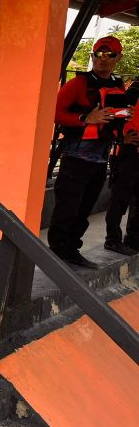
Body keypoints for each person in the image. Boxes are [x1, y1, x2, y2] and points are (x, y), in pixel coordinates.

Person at [48, 35, 127, 267]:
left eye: (109, 55)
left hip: (101, 159)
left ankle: (71, 250)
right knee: (67, 208)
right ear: (92, 56)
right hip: (75, 157)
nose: (103, 59)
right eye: (98, 55)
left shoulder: (117, 85)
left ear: (118, 57)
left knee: (84, 210)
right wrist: (85, 118)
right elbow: (54, 112)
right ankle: (58, 253)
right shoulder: (79, 84)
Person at [104, 80, 139, 253]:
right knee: (120, 197)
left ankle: (133, 239)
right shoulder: (134, 89)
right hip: (127, 151)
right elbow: (114, 117)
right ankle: (112, 239)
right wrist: (121, 138)